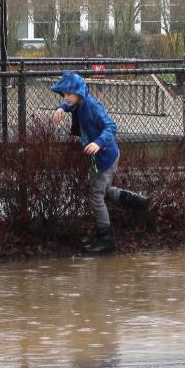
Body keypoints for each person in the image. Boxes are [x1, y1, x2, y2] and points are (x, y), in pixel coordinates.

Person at [50, 70, 149, 253]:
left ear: (79, 92)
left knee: (96, 196)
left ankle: (106, 239)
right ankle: (137, 202)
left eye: (69, 94)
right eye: (64, 94)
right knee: (103, 190)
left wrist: (98, 142)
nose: (66, 97)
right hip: (101, 156)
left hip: (105, 156)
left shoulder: (92, 106)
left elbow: (111, 126)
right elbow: (71, 106)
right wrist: (62, 107)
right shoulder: (79, 102)